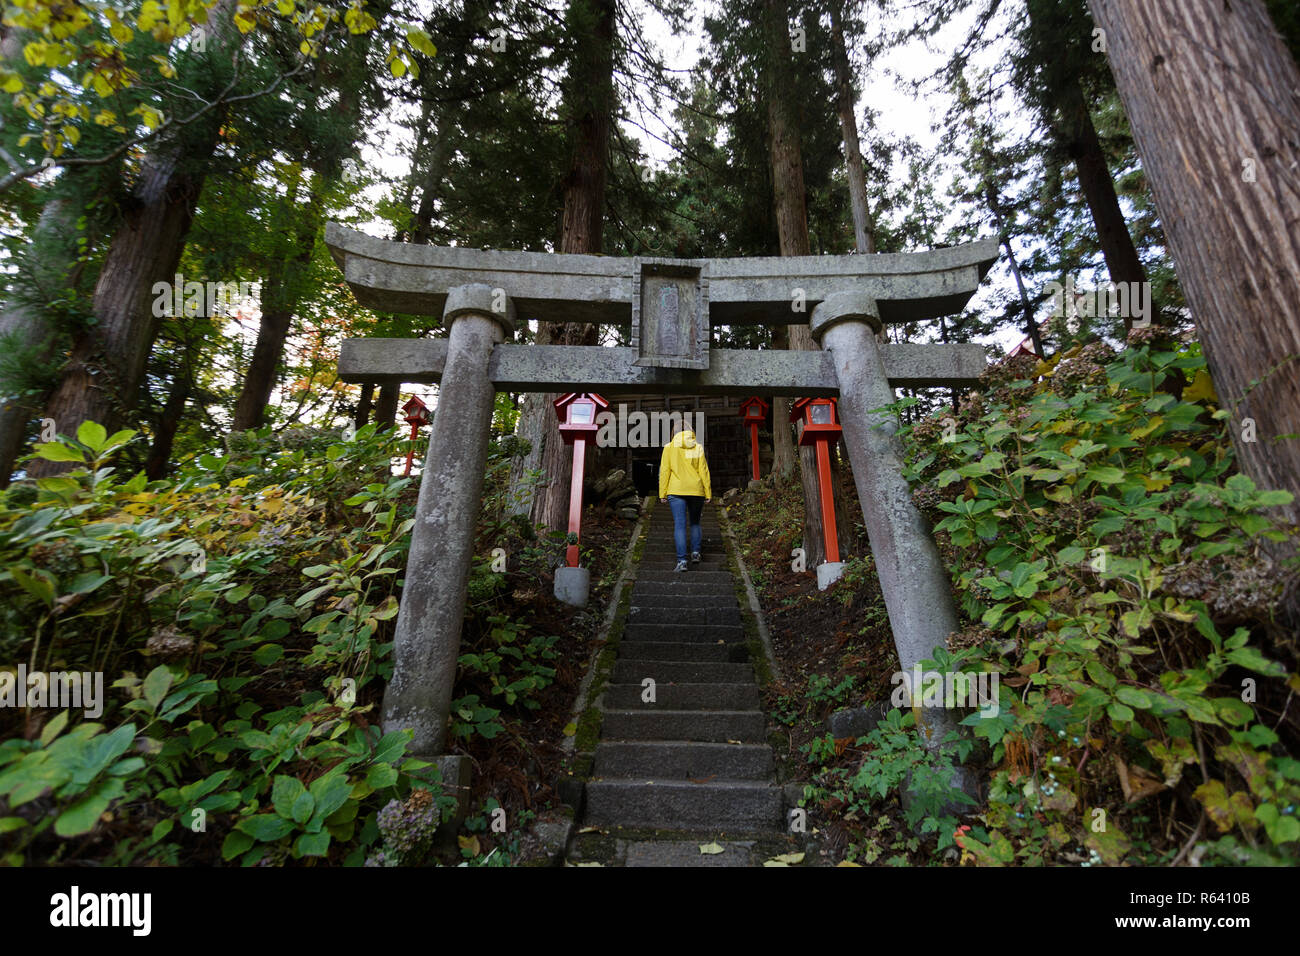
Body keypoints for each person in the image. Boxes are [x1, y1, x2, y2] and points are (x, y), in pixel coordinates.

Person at [658, 427, 712, 572]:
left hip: (676, 490)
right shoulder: (697, 447)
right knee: (695, 522)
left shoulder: (669, 447)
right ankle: (695, 553)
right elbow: (704, 471)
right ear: (691, 431)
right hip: (696, 490)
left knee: (680, 525)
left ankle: (682, 561)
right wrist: (708, 493)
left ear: (673, 433)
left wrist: (662, 493)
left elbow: (664, 470)